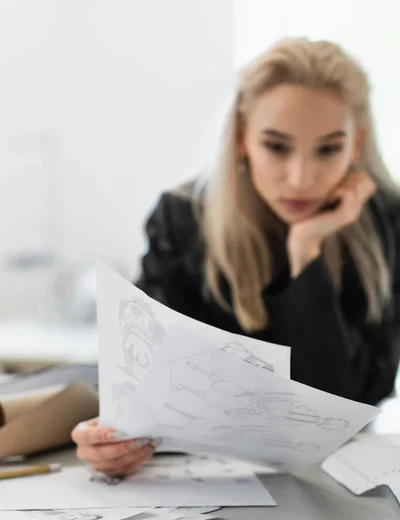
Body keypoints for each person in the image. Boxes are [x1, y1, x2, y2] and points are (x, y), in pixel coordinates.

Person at [72, 37, 400, 477]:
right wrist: (112, 441)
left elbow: (353, 402)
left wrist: (307, 254)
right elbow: (146, 390)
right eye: (277, 147)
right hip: (200, 480)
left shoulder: (385, 222)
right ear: (242, 138)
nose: (301, 178)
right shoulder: (183, 219)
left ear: (356, 146)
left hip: (339, 483)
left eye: (328, 149)